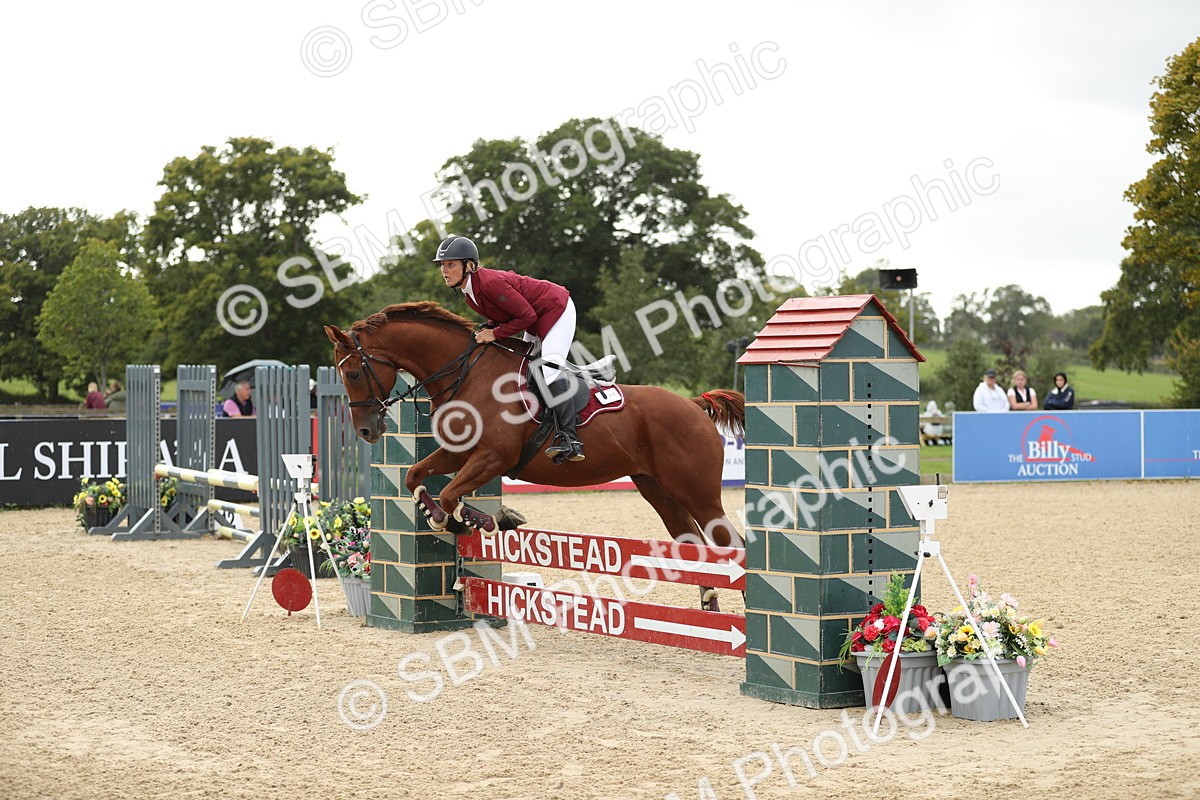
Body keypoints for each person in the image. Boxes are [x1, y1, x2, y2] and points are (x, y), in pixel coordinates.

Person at [433, 234, 584, 463]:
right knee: (523, 365)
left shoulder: (490, 283)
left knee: (549, 369)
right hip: (534, 317)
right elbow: (507, 315)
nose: (444, 270)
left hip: (556, 309)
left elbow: (526, 315)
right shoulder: (470, 295)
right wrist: (491, 328)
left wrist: (493, 333)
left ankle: (571, 439)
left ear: (469, 265)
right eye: (443, 265)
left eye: (450, 264)